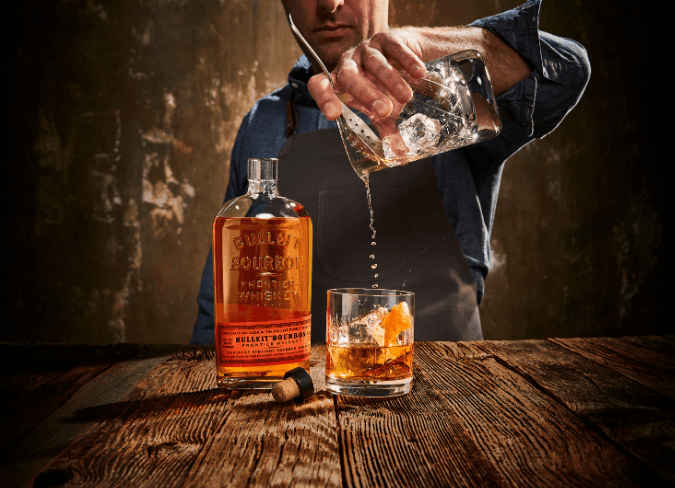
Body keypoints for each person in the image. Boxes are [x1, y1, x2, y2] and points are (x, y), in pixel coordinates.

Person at [190, 0, 590, 345]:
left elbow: (566, 70)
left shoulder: (445, 98)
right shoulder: (261, 124)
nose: (330, 4)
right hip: (296, 401)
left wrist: (421, 47)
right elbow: (221, 307)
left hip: (449, 396)